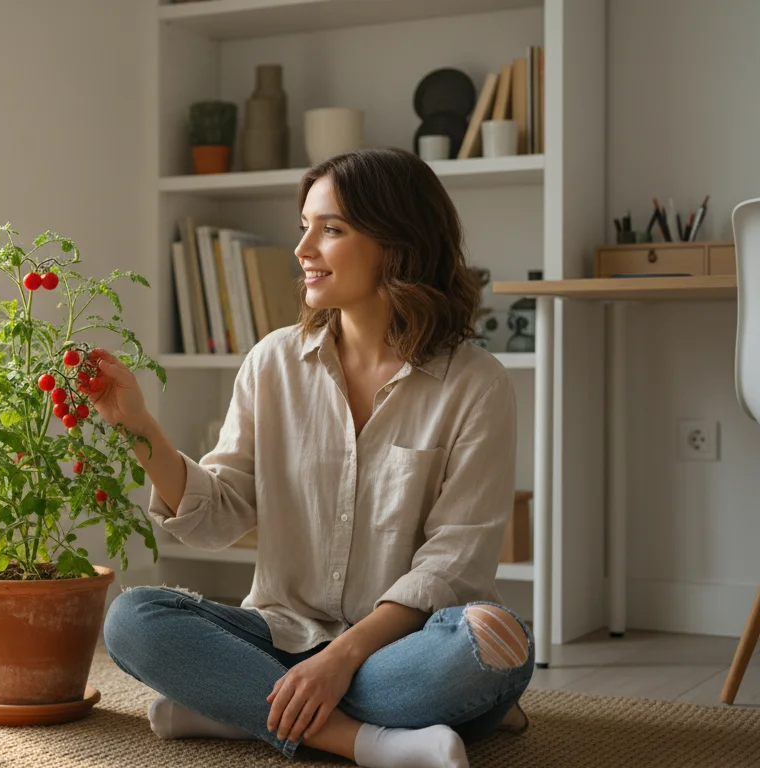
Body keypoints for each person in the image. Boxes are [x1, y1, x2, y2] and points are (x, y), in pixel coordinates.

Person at [87, 147, 533, 768]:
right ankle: (367, 740)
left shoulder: (476, 383)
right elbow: (218, 514)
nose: (302, 249)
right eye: (305, 226)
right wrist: (139, 428)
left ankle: (237, 708)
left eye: (330, 229)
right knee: (134, 619)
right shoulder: (272, 362)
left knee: (489, 643)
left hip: (400, 644)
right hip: (282, 635)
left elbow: (453, 562)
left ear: (396, 243)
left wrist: (341, 659)